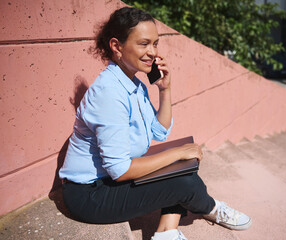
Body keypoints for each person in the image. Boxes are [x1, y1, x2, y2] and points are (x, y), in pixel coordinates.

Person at [59, 7, 251, 240]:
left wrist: (165, 90)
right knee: (184, 180)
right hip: (89, 196)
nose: (152, 52)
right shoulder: (109, 92)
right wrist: (177, 153)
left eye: (156, 43)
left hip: (109, 181)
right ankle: (210, 208)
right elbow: (119, 170)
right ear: (116, 46)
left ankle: (167, 232)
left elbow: (158, 131)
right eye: (144, 44)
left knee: (185, 167)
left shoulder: (135, 84)